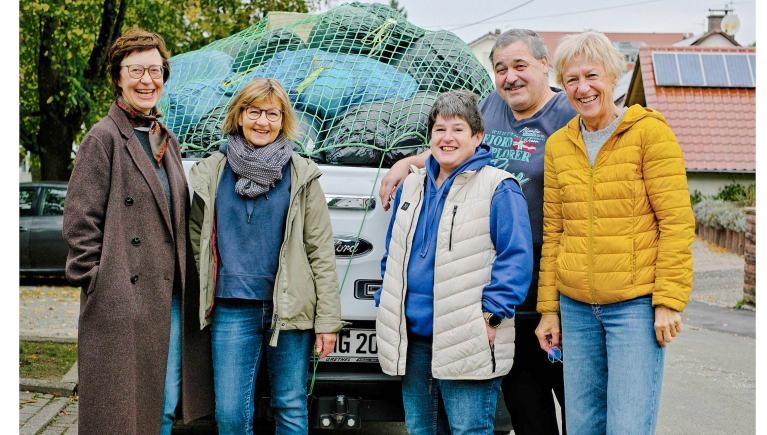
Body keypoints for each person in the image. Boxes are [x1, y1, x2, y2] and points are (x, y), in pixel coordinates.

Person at [379, 29, 576, 434]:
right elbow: (455, 139)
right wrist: (407, 163)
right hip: (499, 297)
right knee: (527, 410)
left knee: (579, 408)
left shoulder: (568, 113)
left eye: (520, 66)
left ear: (545, 64)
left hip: (554, 288)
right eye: (501, 69)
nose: (510, 77)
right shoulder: (491, 106)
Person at [535, 31, 695, 435]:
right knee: (582, 425)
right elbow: (555, 232)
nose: (582, 88)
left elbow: (676, 222)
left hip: (634, 307)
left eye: (592, 76)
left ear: (614, 75)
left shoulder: (649, 133)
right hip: (575, 308)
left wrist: (668, 300)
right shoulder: (558, 145)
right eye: (571, 79)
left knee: (628, 425)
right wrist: (549, 309)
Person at [63, 28, 213, 434]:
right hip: (121, 297)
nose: (147, 80)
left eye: (155, 70)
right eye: (136, 70)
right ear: (118, 77)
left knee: (163, 405)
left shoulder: (165, 138)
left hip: (169, 297)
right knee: (125, 413)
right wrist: (99, 281)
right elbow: (79, 221)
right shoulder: (103, 137)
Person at [188, 77, 344, 435]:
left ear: (283, 120)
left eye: (272, 114)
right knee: (230, 413)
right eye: (254, 112)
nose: (263, 122)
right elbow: (198, 237)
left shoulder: (301, 174)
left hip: (290, 309)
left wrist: (327, 320)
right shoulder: (214, 170)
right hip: (231, 307)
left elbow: (321, 251)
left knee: (290, 405)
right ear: (239, 115)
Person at [375, 90, 533, 434]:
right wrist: (385, 300)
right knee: (422, 429)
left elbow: (516, 259)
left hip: (467, 336)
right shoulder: (411, 185)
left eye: (458, 129)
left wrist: (492, 315)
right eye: (439, 129)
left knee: (468, 430)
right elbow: (393, 252)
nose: (447, 138)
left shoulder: (499, 187)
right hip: (413, 339)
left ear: (477, 136)